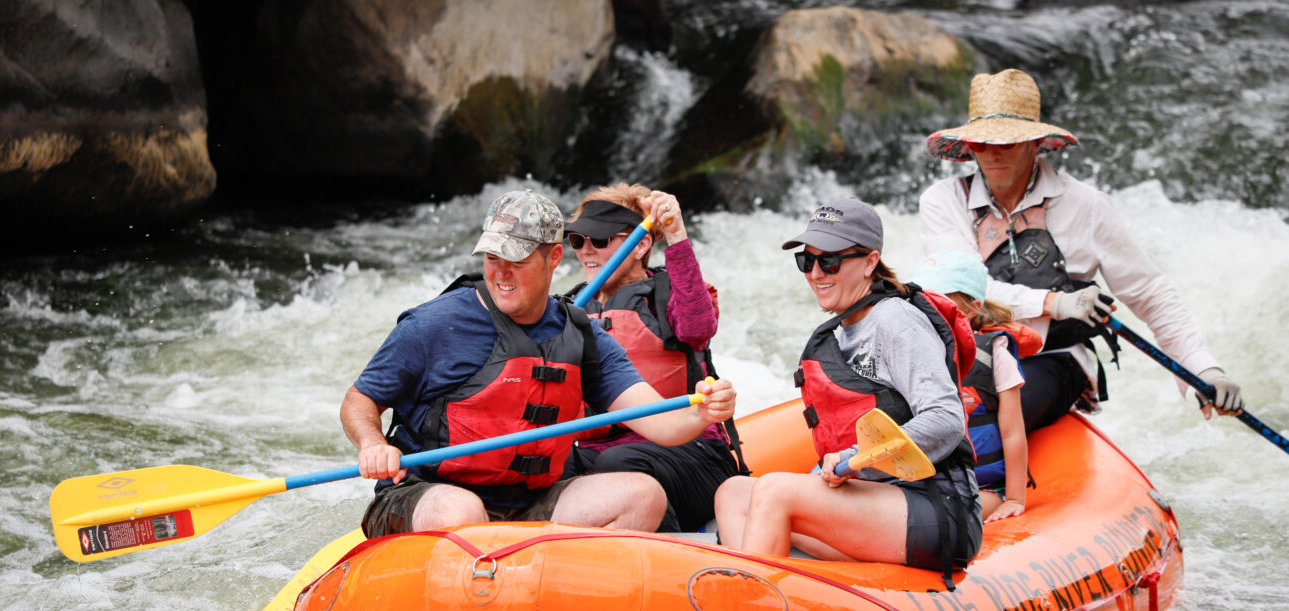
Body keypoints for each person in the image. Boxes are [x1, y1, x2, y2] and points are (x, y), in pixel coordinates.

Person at [341, 189, 737, 537]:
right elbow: (360, 400)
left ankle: (549, 585)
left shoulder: (581, 335)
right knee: (461, 511)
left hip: (530, 500)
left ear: (553, 258)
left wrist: (704, 411)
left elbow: (661, 422)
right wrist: (373, 443)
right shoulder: (435, 324)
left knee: (643, 496)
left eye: (517, 259)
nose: (501, 272)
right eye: (492, 257)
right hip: (428, 493)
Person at [919, 68, 1244, 432]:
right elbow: (960, 293)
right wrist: (1054, 303)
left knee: (985, 417)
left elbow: (1151, 295)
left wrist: (1205, 369)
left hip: (1054, 358)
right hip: (969, 351)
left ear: (1034, 143)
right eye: (981, 143)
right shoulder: (942, 200)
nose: (992, 155)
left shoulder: (1086, 205)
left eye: (1006, 142)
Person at [715, 197, 981, 585]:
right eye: (807, 261)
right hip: (873, 503)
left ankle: (749, 608)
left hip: (936, 507)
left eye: (831, 261)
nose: (816, 273)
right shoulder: (844, 328)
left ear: (870, 262)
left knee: (774, 491)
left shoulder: (897, 322)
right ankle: (777, 598)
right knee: (734, 492)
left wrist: (855, 459)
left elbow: (946, 418)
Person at [561, 184, 743, 532]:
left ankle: (666, 556)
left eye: (600, 241)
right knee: (549, 466)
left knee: (619, 461)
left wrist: (676, 235)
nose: (586, 251)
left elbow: (698, 326)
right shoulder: (572, 311)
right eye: (578, 241)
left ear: (641, 244)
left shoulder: (667, 295)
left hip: (694, 456)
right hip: (603, 454)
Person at [912, 250, 1039, 524]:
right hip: (925, 484)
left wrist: (1016, 498)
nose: (924, 313)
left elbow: (1013, 432)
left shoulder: (995, 355)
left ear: (970, 309)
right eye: (918, 302)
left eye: (937, 304)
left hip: (982, 489)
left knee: (939, 521)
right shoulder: (910, 353)